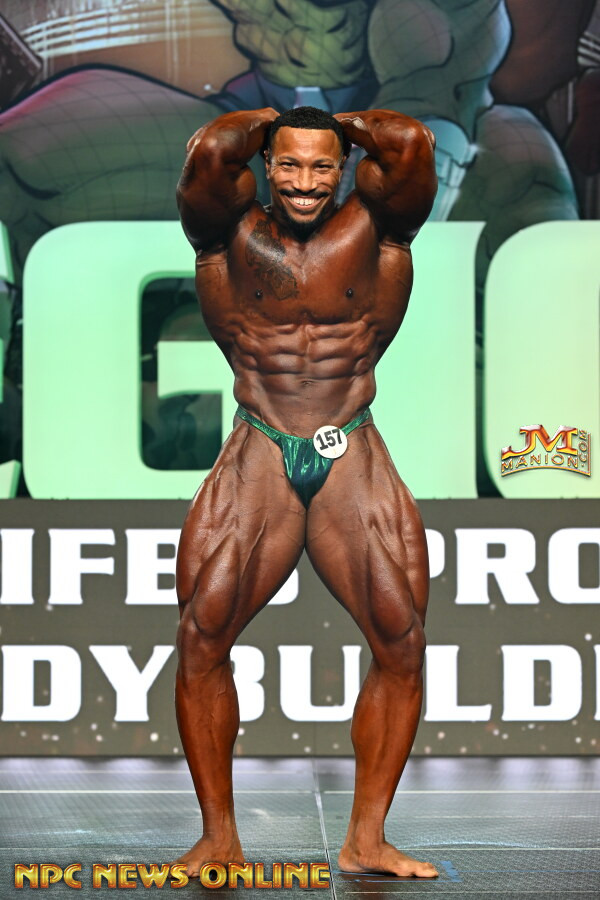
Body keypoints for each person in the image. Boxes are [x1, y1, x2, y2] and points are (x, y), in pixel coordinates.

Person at [174, 105, 438, 878]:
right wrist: (264, 122)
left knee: (402, 642)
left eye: (323, 166)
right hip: (260, 443)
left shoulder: (379, 231)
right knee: (201, 639)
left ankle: (366, 840)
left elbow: (411, 145)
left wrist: (340, 124)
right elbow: (207, 155)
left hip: (348, 442)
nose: (304, 182)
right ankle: (219, 837)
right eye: (288, 163)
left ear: (346, 165)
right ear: (265, 164)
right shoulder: (224, 234)